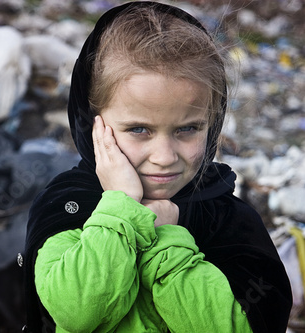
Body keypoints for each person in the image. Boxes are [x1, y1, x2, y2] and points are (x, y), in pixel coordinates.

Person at [22, 1, 292, 332]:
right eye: (139, 129)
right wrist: (120, 210)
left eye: (187, 129)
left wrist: (165, 241)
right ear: (91, 124)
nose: (164, 157)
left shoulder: (228, 221)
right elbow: (77, 313)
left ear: (213, 123)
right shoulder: (68, 205)